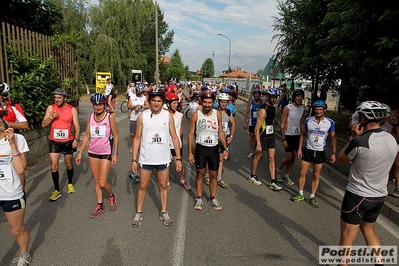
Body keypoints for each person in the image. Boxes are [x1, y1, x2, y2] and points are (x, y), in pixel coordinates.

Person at [337, 101, 397, 266]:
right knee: (368, 229)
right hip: (379, 196)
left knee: (347, 238)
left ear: (363, 118)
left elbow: (342, 159)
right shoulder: (392, 138)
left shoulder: (360, 141)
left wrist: (354, 137)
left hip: (358, 195)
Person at [131, 87, 182, 227]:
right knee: (142, 185)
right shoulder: (142, 116)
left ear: (163, 102)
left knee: (163, 185)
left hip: (163, 158)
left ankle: (164, 211)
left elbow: (174, 137)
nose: (156, 103)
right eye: (153, 100)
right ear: (150, 101)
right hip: (146, 158)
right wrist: (134, 159)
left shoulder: (168, 116)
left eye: (159, 101)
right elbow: (136, 138)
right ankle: (139, 212)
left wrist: (178, 158)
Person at [76, 93, 119, 218]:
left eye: (100, 105)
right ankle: (100, 204)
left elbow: (115, 136)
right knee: (96, 180)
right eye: (95, 105)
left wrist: (115, 153)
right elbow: (87, 136)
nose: (98, 107)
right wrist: (80, 153)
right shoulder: (91, 117)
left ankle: (111, 194)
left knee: (102, 182)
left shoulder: (109, 117)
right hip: (93, 152)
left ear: (104, 105)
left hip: (105, 152)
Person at [0, 106, 31, 266]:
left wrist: (12, 145)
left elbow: (20, 169)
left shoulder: (17, 139)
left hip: (11, 193)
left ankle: (24, 254)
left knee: (16, 230)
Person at [291, 100, 337, 207]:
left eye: (320, 109)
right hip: (308, 150)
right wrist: (299, 149)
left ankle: (312, 196)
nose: (318, 111)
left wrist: (334, 152)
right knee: (302, 172)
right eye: (316, 109)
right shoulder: (308, 120)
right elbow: (303, 135)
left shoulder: (330, 122)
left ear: (324, 110)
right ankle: (300, 193)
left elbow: (333, 138)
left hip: (320, 151)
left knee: (316, 175)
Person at [188, 90, 228, 211]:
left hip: (214, 148)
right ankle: (199, 197)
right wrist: (190, 152)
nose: (207, 105)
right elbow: (190, 134)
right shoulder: (196, 115)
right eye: (205, 102)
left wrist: (225, 148)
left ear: (213, 103)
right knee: (200, 174)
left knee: (213, 175)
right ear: (201, 102)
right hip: (201, 148)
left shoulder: (217, 114)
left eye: (209, 102)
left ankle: (212, 197)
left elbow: (221, 131)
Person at [41, 89, 80, 201]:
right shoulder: (50, 108)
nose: (56, 100)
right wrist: (51, 117)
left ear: (65, 98)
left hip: (68, 141)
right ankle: (57, 190)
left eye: (59, 97)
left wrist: (76, 139)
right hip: (54, 141)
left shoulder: (72, 110)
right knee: (54, 166)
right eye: (55, 98)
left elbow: (77, 126)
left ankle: (70, 183)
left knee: (68, 164)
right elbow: (43, 124)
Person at [247, 89, 282, 191]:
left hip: (271, 136)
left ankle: (273, 181)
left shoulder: (273, 108)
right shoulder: (263, 109)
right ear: (268, 97)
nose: (275, 99)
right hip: (262, 136)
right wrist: (258, 143)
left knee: (272, 158)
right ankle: (252, 175)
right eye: (273, 97)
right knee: (258, 156)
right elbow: (257, 128)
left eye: (276, 98)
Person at [0, 83, 29, 193]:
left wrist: (7, 124)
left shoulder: (13, 107)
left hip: (12, 141)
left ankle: (20, 192)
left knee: (18, 170)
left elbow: (25, 125)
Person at [276, 89, 305, 186]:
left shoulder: (302, 109)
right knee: (288, 157)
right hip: (288, 134)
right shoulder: (288, 108)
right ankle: (278, 170)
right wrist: (283, 138)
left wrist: (303, 135)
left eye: (301, 96)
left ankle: (286, 175)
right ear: (294, 97)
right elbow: (282, 124)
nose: (300, 98)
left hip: (297, 136)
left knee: (293, 158)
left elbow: (301, 124)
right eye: (298, 96)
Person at [165, 93, 191, 191]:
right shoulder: (164, 114)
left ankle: (182, 180)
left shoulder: (180, 115)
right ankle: (166, 182)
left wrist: (180, 142)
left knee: (179, 163)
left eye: (177, 103)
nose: (176, 105)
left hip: (176, 143)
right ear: (168, 104)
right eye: (174, 103)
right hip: (165, 143)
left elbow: (180, 130)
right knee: (166, 164)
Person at [213, 92, 236, 188]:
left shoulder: (228, 112)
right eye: (222, 102)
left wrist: (231, 136)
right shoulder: (213, 111)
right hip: (213, 137)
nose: (223, 104)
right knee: (211, 158)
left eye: (225, 102)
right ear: (218, 102)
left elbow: (233, 124)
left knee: (221, 159)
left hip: (223, 138)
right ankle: (207, 176)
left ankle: (219, 178)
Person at [127, 83, 149, 176]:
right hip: (133, 118)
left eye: (141, 93)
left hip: (142, 118)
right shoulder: (131, 96)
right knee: (133, 134)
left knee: (141, 135)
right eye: (138, 92)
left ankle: (141, 146)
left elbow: (148, 106)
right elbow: (128, 106)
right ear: (135, 90)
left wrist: (141, 107)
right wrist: (134, 107)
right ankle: (133, 146)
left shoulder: (144, 97)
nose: (140, 94)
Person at [244, 87, 263, 159]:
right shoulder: (250, 102)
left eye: (258, 94)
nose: (257, 95)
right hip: (252, 122)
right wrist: (245, 122)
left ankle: (258, 150)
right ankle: (252, 151)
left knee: (258, 137)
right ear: (253, 94)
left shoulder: (262, 102)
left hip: (260, 123)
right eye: (256, 94)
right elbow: (246, 112)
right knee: (252, 137)